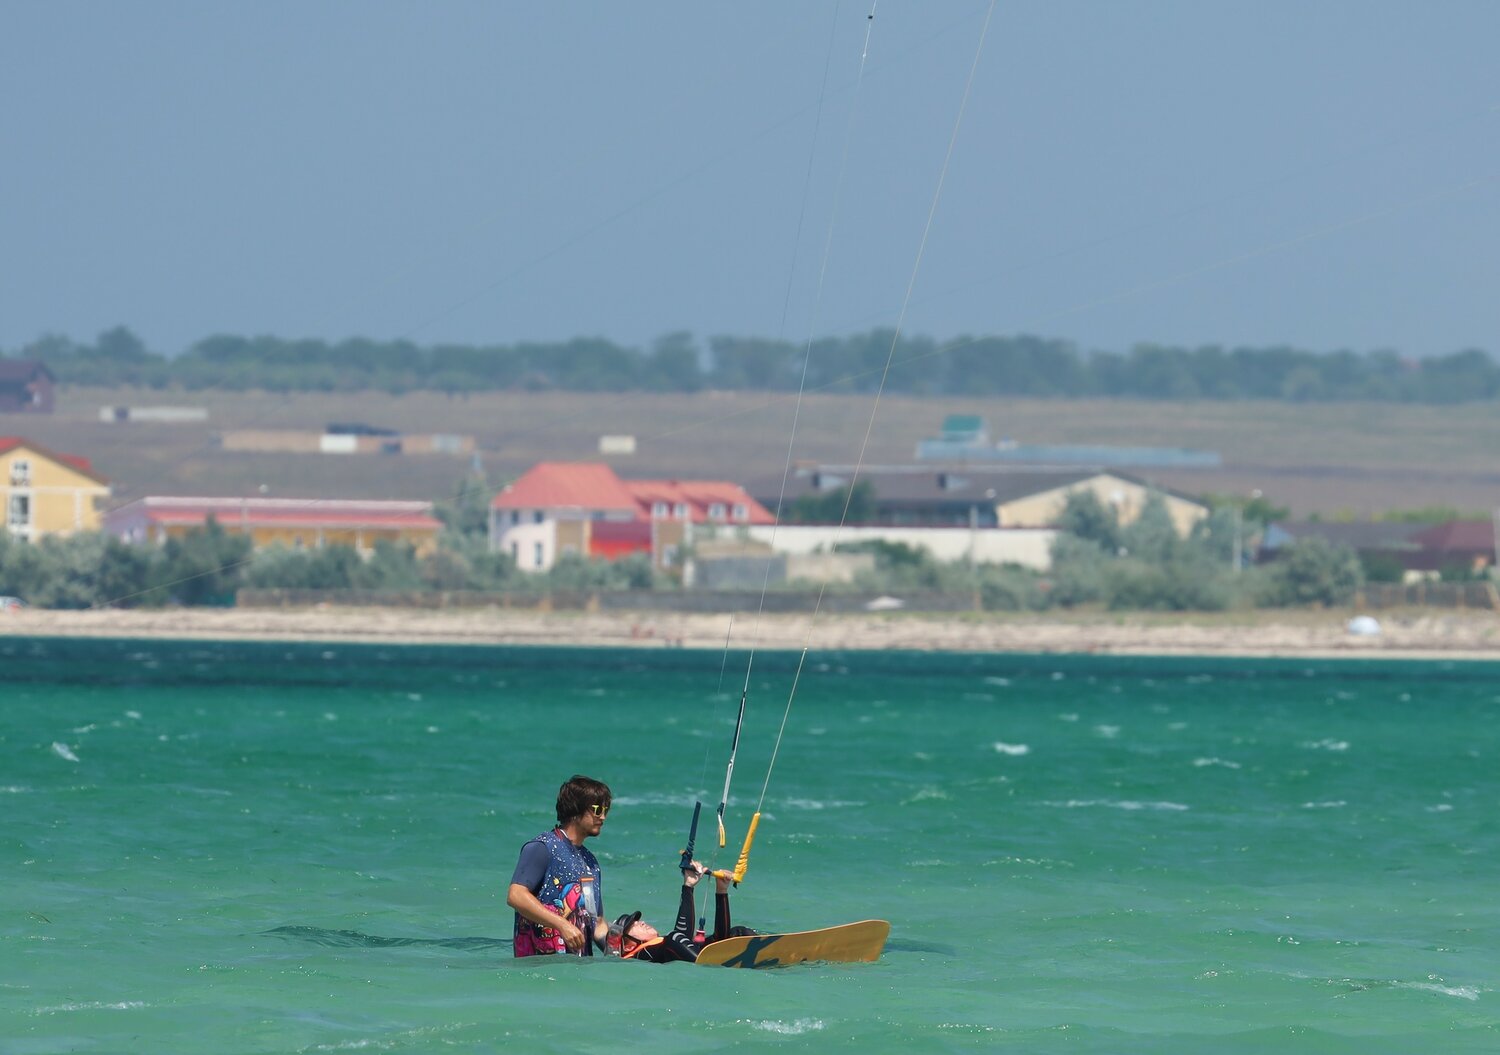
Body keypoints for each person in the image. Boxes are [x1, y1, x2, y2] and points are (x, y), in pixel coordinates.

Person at [507, 774, 611, 957]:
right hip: (538, 971)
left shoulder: (591, 862)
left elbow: (598, 924)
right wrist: (561, 924)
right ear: (576, 809)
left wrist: (630, 950)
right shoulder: (542, 847)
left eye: (605, 810)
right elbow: (516, 895)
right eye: (597, 809)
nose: (602, 816)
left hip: (577, 973)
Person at [604, 861, 758, 963]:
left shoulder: (664, 945)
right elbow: (680, 936)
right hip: (696, 963)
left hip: (695, 957)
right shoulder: (640, 955)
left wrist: (721, 890)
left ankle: (764, 955)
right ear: (629, 946)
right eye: (634, 925)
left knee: (738, 932)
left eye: (638, 921)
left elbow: (720, 939)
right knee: (675, 937)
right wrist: (688, 887)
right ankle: (708, 963)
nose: (642, 922)